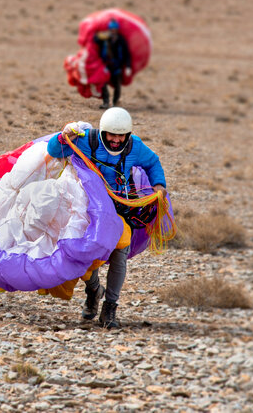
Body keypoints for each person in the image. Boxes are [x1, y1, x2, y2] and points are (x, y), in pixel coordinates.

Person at [47, 107, 167, 329]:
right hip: (85, 207)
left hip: (119, 207)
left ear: (128, 135)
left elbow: (152, 163)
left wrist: (159, 185)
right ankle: (93, 289)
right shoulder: (86, 140)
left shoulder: (134, 146)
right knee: (80, 251)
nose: (116, 140)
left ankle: (109, 308)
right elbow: (55, 151)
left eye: (121, 136)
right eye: (112, 135)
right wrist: (65, 136)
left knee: (120, 250)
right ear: (103, 132)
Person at [94, 19, 132, 109]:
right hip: (106, 65)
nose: (113, 31)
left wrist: (128, 66)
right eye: (112, 29)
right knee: (103, 84)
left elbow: (127, 54)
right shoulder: (105, 38)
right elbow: (95, 41)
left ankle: (115, 103)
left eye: (115, 29)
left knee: (117, 85)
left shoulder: (121, 40)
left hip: (116, 66)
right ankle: (106, 102)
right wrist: (99, 35)